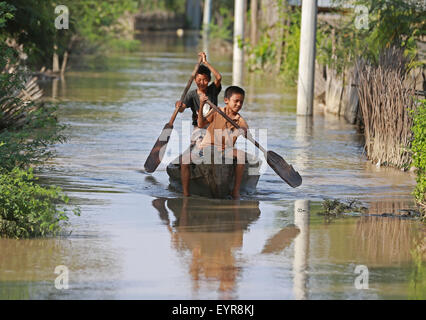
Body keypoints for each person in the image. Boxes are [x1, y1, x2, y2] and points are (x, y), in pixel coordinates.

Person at [181, 86, 249, 200]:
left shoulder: (239, 119)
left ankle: (235, 191)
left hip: (225, 150)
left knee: (241, 155)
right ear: (226, 100)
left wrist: (244, 130)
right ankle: (186, 193)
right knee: (184, 161)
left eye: (241, 102)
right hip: (206, 147)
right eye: (236, 101)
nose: (238, 104)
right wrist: (202, 104)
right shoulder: (216, 111)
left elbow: (246, 130)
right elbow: (201, 124)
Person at [175, 52, 222, 130]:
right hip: (198, 128)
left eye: (205, 80)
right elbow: (181, 109)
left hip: (213, 126)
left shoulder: (212, 90)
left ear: (209, 80)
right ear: (195, 80)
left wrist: (205, 62)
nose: (202, 83)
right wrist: (178, 105)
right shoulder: (191, 95)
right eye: (199, 80)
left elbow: (218, 77)